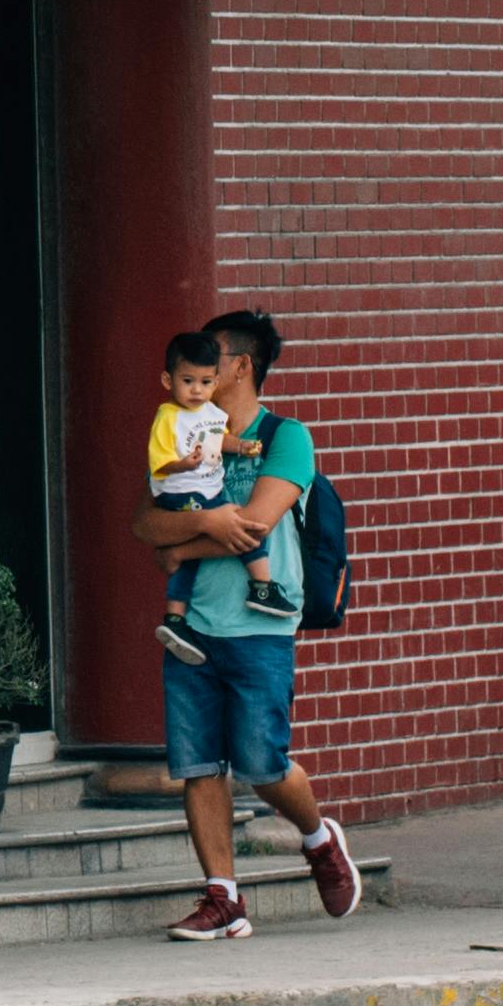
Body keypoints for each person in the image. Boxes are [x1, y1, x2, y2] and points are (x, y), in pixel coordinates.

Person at [133, 309, 364, 941]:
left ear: (239, 366)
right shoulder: (182, 435)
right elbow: (146, 526)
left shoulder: (287, 437)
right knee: (199, 765)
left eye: (214, 355)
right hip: (192, 632)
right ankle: (223, 897)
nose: (199, 366)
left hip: (262, 624)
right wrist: (203, 527)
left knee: (262, 764)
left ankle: (318, 839)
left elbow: (257, 523)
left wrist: (185, 542)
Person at [143, 329, 233, 672]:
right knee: (236, 530)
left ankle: (175, 617)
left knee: (192, 553)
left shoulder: (210, 416)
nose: (197, 390)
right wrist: (185, 464)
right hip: (182, 493)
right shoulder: (169, 419)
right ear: (168, 380)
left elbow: (222, 440)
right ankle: (263, 586)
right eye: (188, 380)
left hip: (203, 490)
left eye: (206, 381)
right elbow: (159, 466)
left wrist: (240, 445)